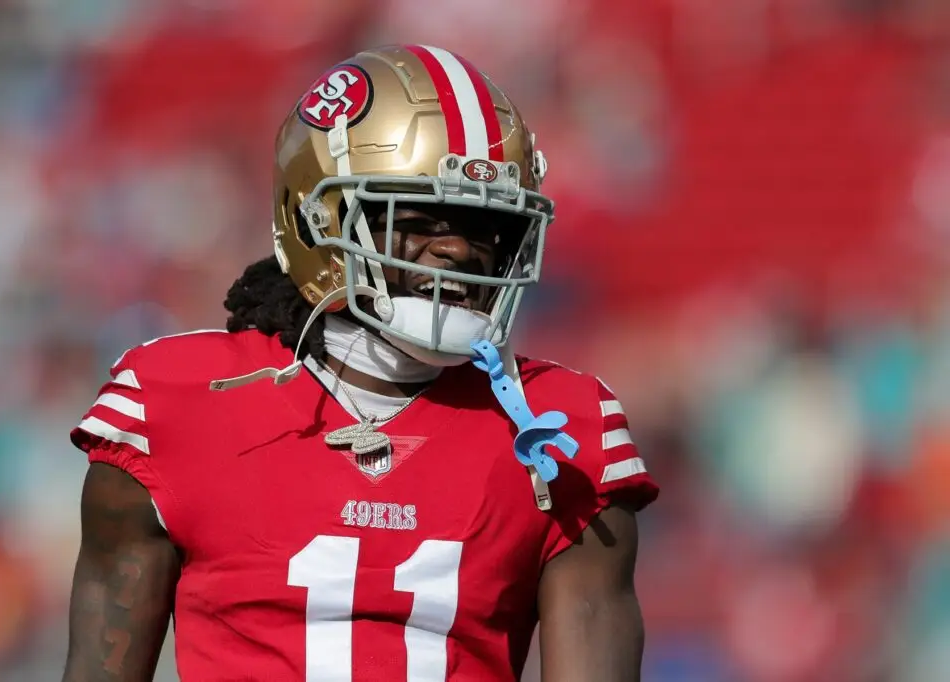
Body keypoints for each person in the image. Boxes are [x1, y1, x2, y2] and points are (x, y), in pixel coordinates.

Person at [62, 44, 659, 682]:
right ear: (320, 221)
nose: (457, 249)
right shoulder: (177, 399)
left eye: (485, 228)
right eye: (421, 218)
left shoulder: (559, 425)